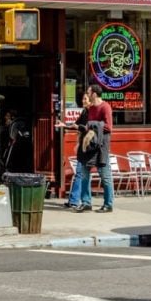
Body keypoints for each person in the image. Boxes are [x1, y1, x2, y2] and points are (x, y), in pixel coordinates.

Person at [79, 83, 115, 212]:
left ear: (94, 94)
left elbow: (109, 127)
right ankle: (86, 202)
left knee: (105, 176)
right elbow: (87, 126)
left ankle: (108, 204)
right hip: (89, 145)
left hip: (101, 145)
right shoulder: (91, 108)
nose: (87, 95)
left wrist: (92, 125)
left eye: (88, 93)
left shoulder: (105, 107)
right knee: (84, 174)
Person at [55, 92, 92, 209]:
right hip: (83, 145)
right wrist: (64, 125)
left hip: (89, 146)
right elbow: (76, 124)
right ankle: (75, 200)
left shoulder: (92, 112)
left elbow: (86, 127)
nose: (83, 101)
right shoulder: (85, 111)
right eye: (82, 98)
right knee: (81, 173)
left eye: (85, 99)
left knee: (84, 174)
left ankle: (80, 201)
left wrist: (76, 127)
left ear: (91, 100)